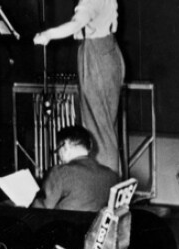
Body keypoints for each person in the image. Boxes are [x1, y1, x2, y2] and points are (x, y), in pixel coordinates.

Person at [34, 0, 124, 173]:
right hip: (110, 51)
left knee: (98, 131)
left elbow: (76, 24)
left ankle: (102, 187)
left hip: (96, 55)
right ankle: (108, 185)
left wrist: (47, 35)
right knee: (106, 130)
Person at [31, 125, 118, 212]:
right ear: (90, 146)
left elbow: (41, 210)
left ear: (66, 145)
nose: (58, 156)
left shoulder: (61, 172)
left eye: (58, 149)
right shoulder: (111, 175)